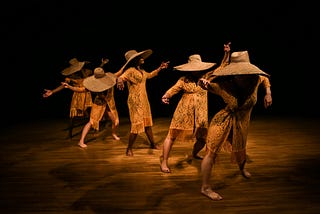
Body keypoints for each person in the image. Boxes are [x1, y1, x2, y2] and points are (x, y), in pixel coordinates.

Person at [198, 50, 272, 201]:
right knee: (211, 152)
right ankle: (205, 187)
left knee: (241, 145)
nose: (242, 75)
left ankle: (242, 168)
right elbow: (205, 84)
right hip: (223, 120)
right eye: (239, 72)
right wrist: (203, 83)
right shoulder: (224, 85)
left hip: (242, 121)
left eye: (244, 72)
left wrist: (268, 93)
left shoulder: (256, 79)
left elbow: (265, 80)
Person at [159, 54, 217, 173]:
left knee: (202, 139)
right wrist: (166, 95)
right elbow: (174, 89)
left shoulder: (207, 77)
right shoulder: (183, 79)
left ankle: (194, 154)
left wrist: (226, 54)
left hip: (201, 114)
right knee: (171, 135)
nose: (196, 70)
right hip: (183, 112)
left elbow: (221, 69)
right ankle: (164, 161)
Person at [116, 49, 170, 156]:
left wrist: (160, 68)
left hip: (144, 100)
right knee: (136, 126)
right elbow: (121, 77)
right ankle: (129, 148)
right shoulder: (130, 71)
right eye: (140, 58)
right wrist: (120, 81)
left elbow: (149, 75)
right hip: (135, 102)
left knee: (147, 125)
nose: (142, 59)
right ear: (135, 60)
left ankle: (153, 144)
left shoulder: (141, 70)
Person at [64, 59, 122, 148]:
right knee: (91, 122)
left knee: (115, 121)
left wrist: (119, 79)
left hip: (109, 104)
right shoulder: (93, 85)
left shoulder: (111, 78)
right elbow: (80, 90)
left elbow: (119, 73)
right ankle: (81, 141)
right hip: (98, 104)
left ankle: (113, 134)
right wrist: (69, 87)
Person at [42, 58, 97, 138]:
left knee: (90, 113)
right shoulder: (71, 76)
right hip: (77, 95)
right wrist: (52, 91)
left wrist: (82, 70)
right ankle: (70, 133)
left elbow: (93, 77)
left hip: (86, 93)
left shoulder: (87, 71)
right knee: (73, 115)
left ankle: (93, 128)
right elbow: (63, 85)